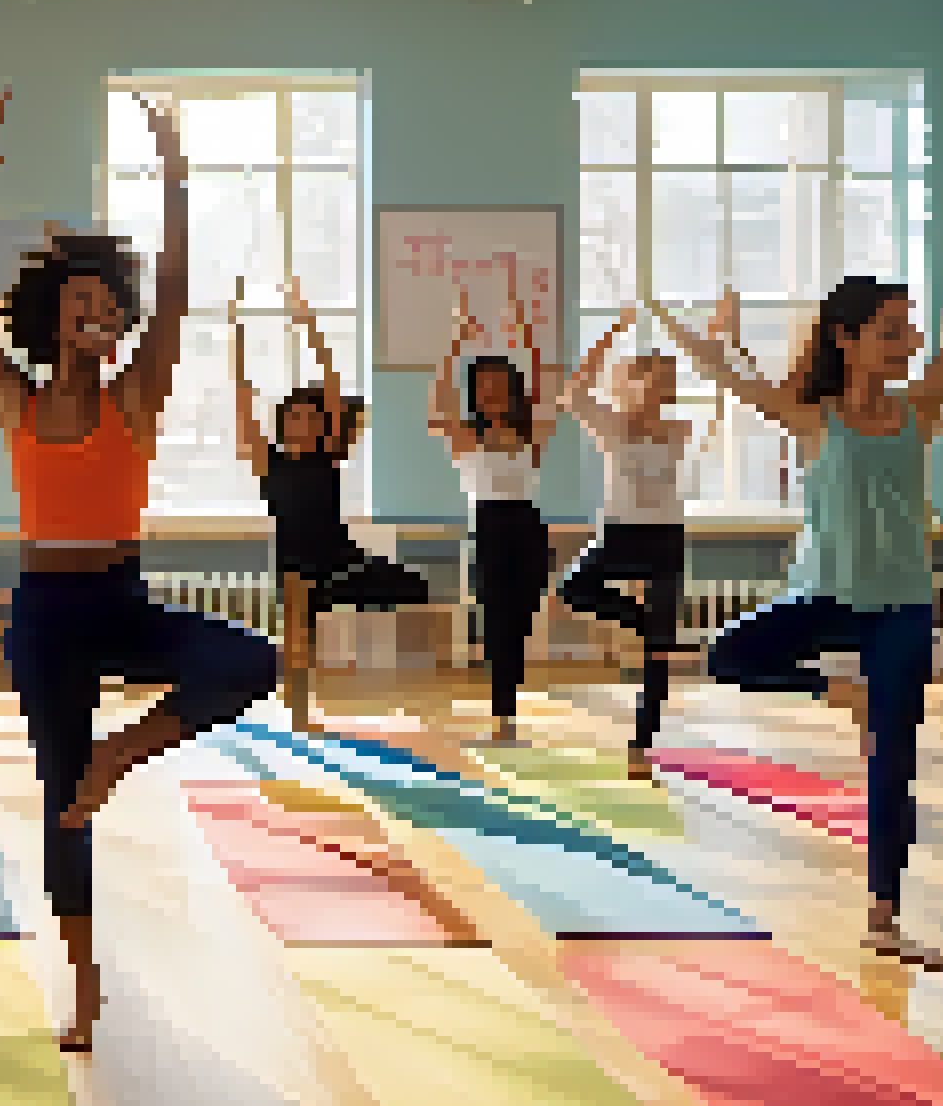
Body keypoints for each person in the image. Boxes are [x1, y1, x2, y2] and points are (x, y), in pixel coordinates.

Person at [0, 87, 278, 1052]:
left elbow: (175, 287)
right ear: (53, 317)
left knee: (252, 663)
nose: (103, 313)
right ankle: (83, 984)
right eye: (83, 303)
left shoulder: (137, 397)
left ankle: (120, 755)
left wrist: (173, 175)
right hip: (45, 609)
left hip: (120, 596)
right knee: (61, 801)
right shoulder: (13, 397)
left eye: (110, 304)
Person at [648, 244, 943, 968]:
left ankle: (883, 914)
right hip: (824, 597)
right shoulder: (811, 417)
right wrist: (689, 330)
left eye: (909, 330)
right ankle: (833, 688)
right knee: (726, 654)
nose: (909, 343)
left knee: (893, 759)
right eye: (891, 330)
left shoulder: (918, 407)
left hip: (902, 604)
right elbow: (726, 374)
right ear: (846, 339)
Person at [231, 276, 430, 713]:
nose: (303, 423)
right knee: (300, 643)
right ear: (283, 425)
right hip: (296, 564)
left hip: (340, 559)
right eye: (295, 417)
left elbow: (333, 382)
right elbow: (243, 396)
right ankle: (298, 714)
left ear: (322, 427)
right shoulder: (269, 461)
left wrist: (308, 323)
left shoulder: (327, 455)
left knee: (418, 587)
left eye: (310, 417)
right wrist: (237, 327)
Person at [555, 307, 696, 778]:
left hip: (665, 537)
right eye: (648, 377)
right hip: (619, 533)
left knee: (659, 650)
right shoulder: (611, 426)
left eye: (663, 378)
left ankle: (644, 739)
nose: (657, 386)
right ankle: (641, 623)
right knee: (573, 588)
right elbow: (573, 392)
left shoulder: (678, 428)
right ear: (631, 382)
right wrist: (611, 333)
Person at [429, 269, 563, 746]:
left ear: (510, 389)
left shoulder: (533, 433)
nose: (491, 392)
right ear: (475, 392)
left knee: (523, 615)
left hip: (528, 526)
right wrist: (455, 341)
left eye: (498, 384)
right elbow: (437, 402)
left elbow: (546, 381)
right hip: (489, 525)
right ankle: (502, 713)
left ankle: (508, 699)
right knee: (497, 617)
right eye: (481, 385)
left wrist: (525, 335)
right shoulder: (465, 437)